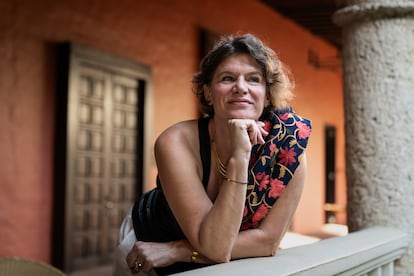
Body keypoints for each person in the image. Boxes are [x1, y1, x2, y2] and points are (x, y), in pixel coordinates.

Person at [113, 33, 312, 276]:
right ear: (208, 92)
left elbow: (266, 242)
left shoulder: (288, 152)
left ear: (267, 95)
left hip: (174, 251)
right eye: (227, 78)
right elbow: (216, 247)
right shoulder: (176, 141)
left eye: (253, 79)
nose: (241, 87)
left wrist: (177, 251)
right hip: (146, 245)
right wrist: (240, 156)